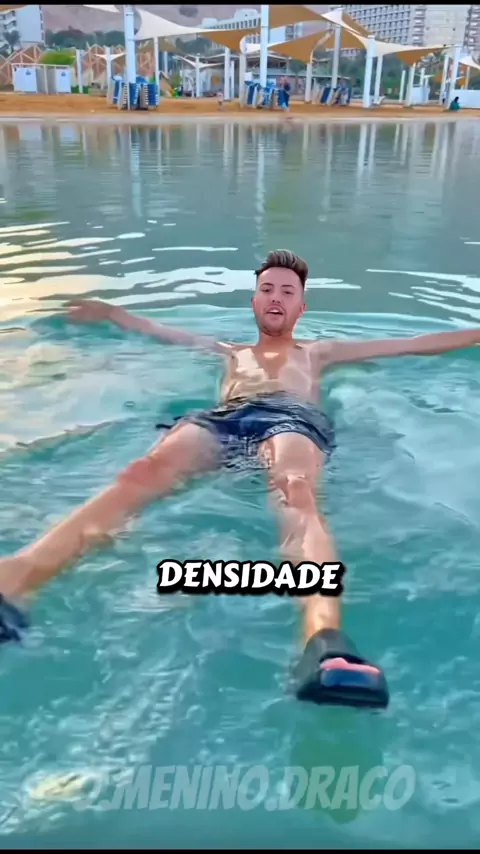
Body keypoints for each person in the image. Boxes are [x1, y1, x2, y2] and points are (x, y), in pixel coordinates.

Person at [1, 249, 480, 709]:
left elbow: (411, 344)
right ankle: (16, 579)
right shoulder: (229, 352)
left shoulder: (318, 352)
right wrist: (111, 313)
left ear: (300, 307)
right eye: (267, 289)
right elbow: (160, 330)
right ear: (253, 302)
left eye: (287, 292)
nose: (276, 297)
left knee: (295, 488)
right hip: (222, 419)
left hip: (290, 417)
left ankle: (324, 641)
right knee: (142, 471)